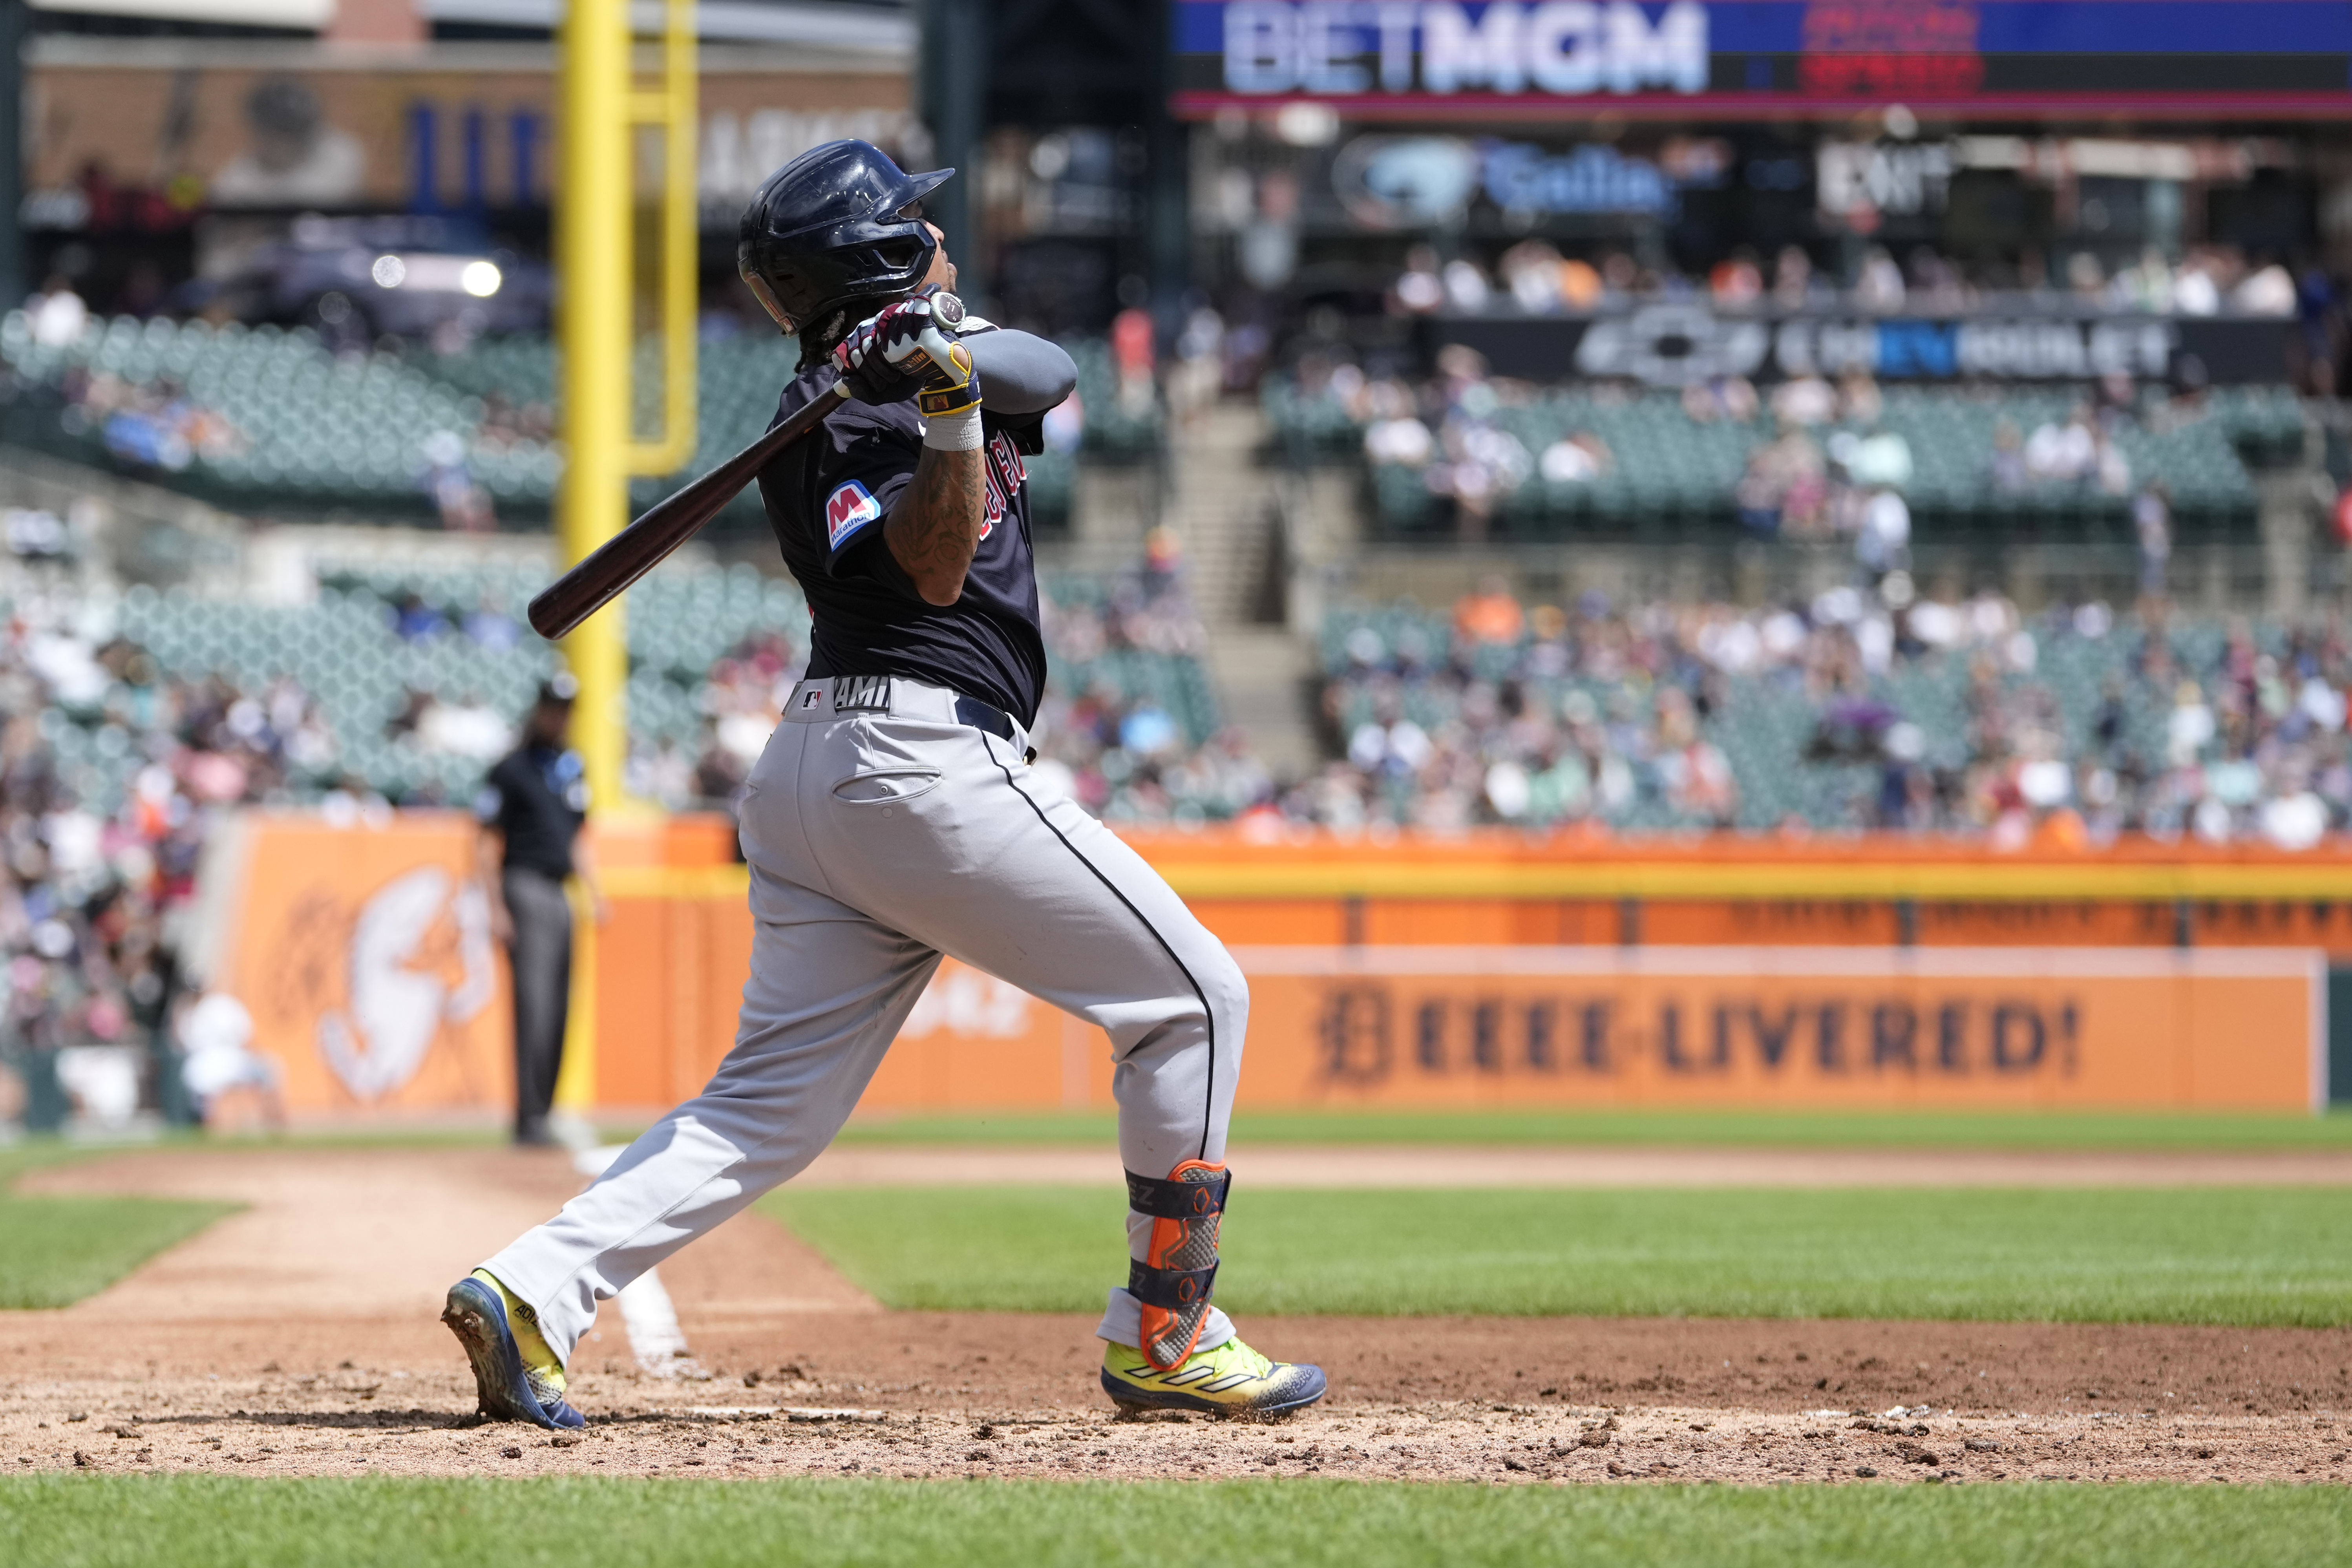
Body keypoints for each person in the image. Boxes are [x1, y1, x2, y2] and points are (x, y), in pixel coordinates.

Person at [442, 140, 1324, 1431]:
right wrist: (939, 407)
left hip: (828, 775)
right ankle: (1166, 1332)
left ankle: (532, 1288)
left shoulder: (914, 361)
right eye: (920, 226)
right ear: (884, 252)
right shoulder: (832, 420)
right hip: (916, 763)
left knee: (764, 1111)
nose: (944, 236)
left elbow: (1051, 370)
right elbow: (928, 566)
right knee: (1194, 998)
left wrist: (939, 355)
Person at [473, 673, 605, 1147]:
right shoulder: (511, 768)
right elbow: (487, 843)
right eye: (553, 707)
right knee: (534, 1004)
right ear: (538, 709)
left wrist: (594, 892)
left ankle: (544, 1114)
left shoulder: (571, 768)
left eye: (566, 708)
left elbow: (578, 838)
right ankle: (528, 1119)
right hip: (524, 886)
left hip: (562, 890)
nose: (559, 716)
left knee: (561, 1005)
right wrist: (494, 907)